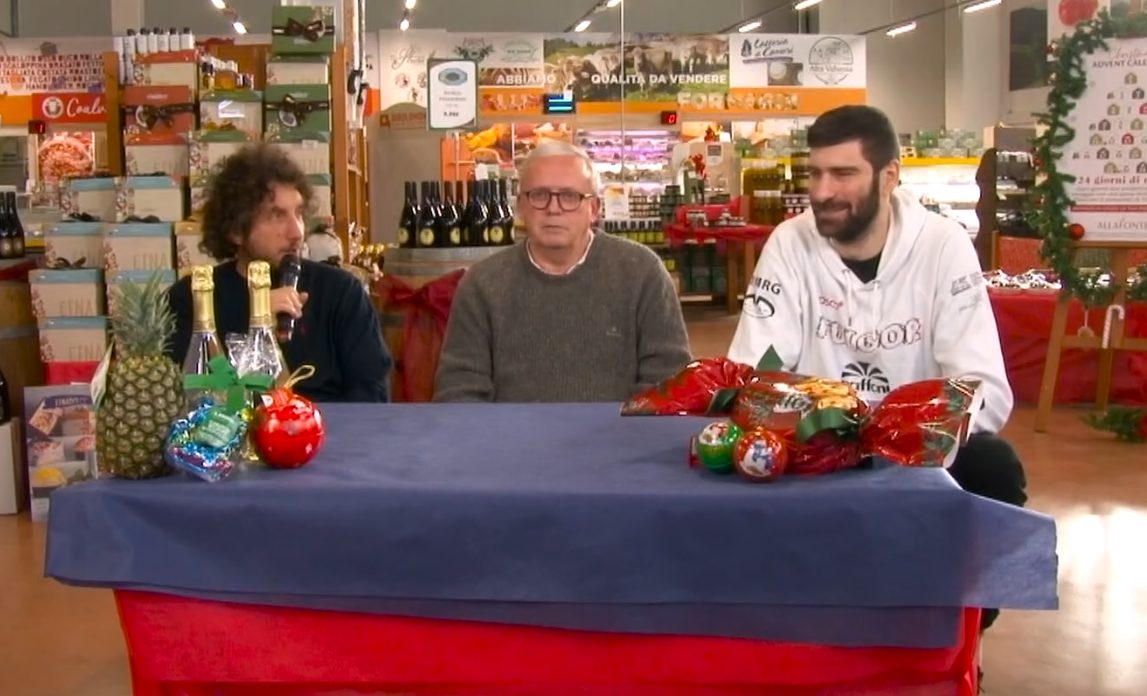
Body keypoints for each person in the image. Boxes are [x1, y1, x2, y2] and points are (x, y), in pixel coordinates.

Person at [726, 105, 1026, 627]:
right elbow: (753, 369)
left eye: (843, 174)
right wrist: (820, 427)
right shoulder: (789, 242)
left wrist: (900, 432)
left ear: (889, 177)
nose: (822, 191)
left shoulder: (943, 245)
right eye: (815, 173)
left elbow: (983, 388)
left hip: (918, 448)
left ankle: (959, 640)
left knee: (995, 466)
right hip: (813, 443)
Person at [434, 140, 692, 402]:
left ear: (594, 209)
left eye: (569, 196)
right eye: (539, 195)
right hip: (509, 441)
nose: (553, 208)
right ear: (521, 206)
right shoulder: (481, 284)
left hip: (617, 439)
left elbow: (668, 383)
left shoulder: (643, 273)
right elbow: (459, 391)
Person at [167, 142, 391, 403]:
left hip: (329, 437)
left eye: (298, 213)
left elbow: (373, 397)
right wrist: (256, 324)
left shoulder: (341, 292)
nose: (296, 232)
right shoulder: (192, 297)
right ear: (236, 230)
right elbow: (186, 402)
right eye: (276, 216)